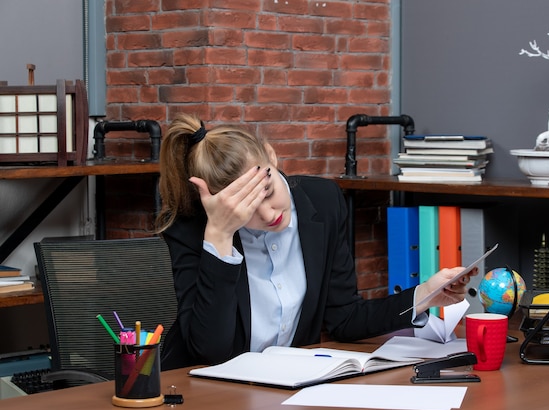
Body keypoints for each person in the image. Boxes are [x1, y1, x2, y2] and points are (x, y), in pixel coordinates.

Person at [156, 113, 476, 370]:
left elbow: (344, 318)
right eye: (247, 208)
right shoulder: (193, 228)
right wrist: (220, 237)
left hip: (288, 388)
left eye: (267, 191)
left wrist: (425, 295)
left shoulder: (323, 202)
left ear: (271, 155)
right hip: (199, 395)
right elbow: (209, 351)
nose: (268, 214)